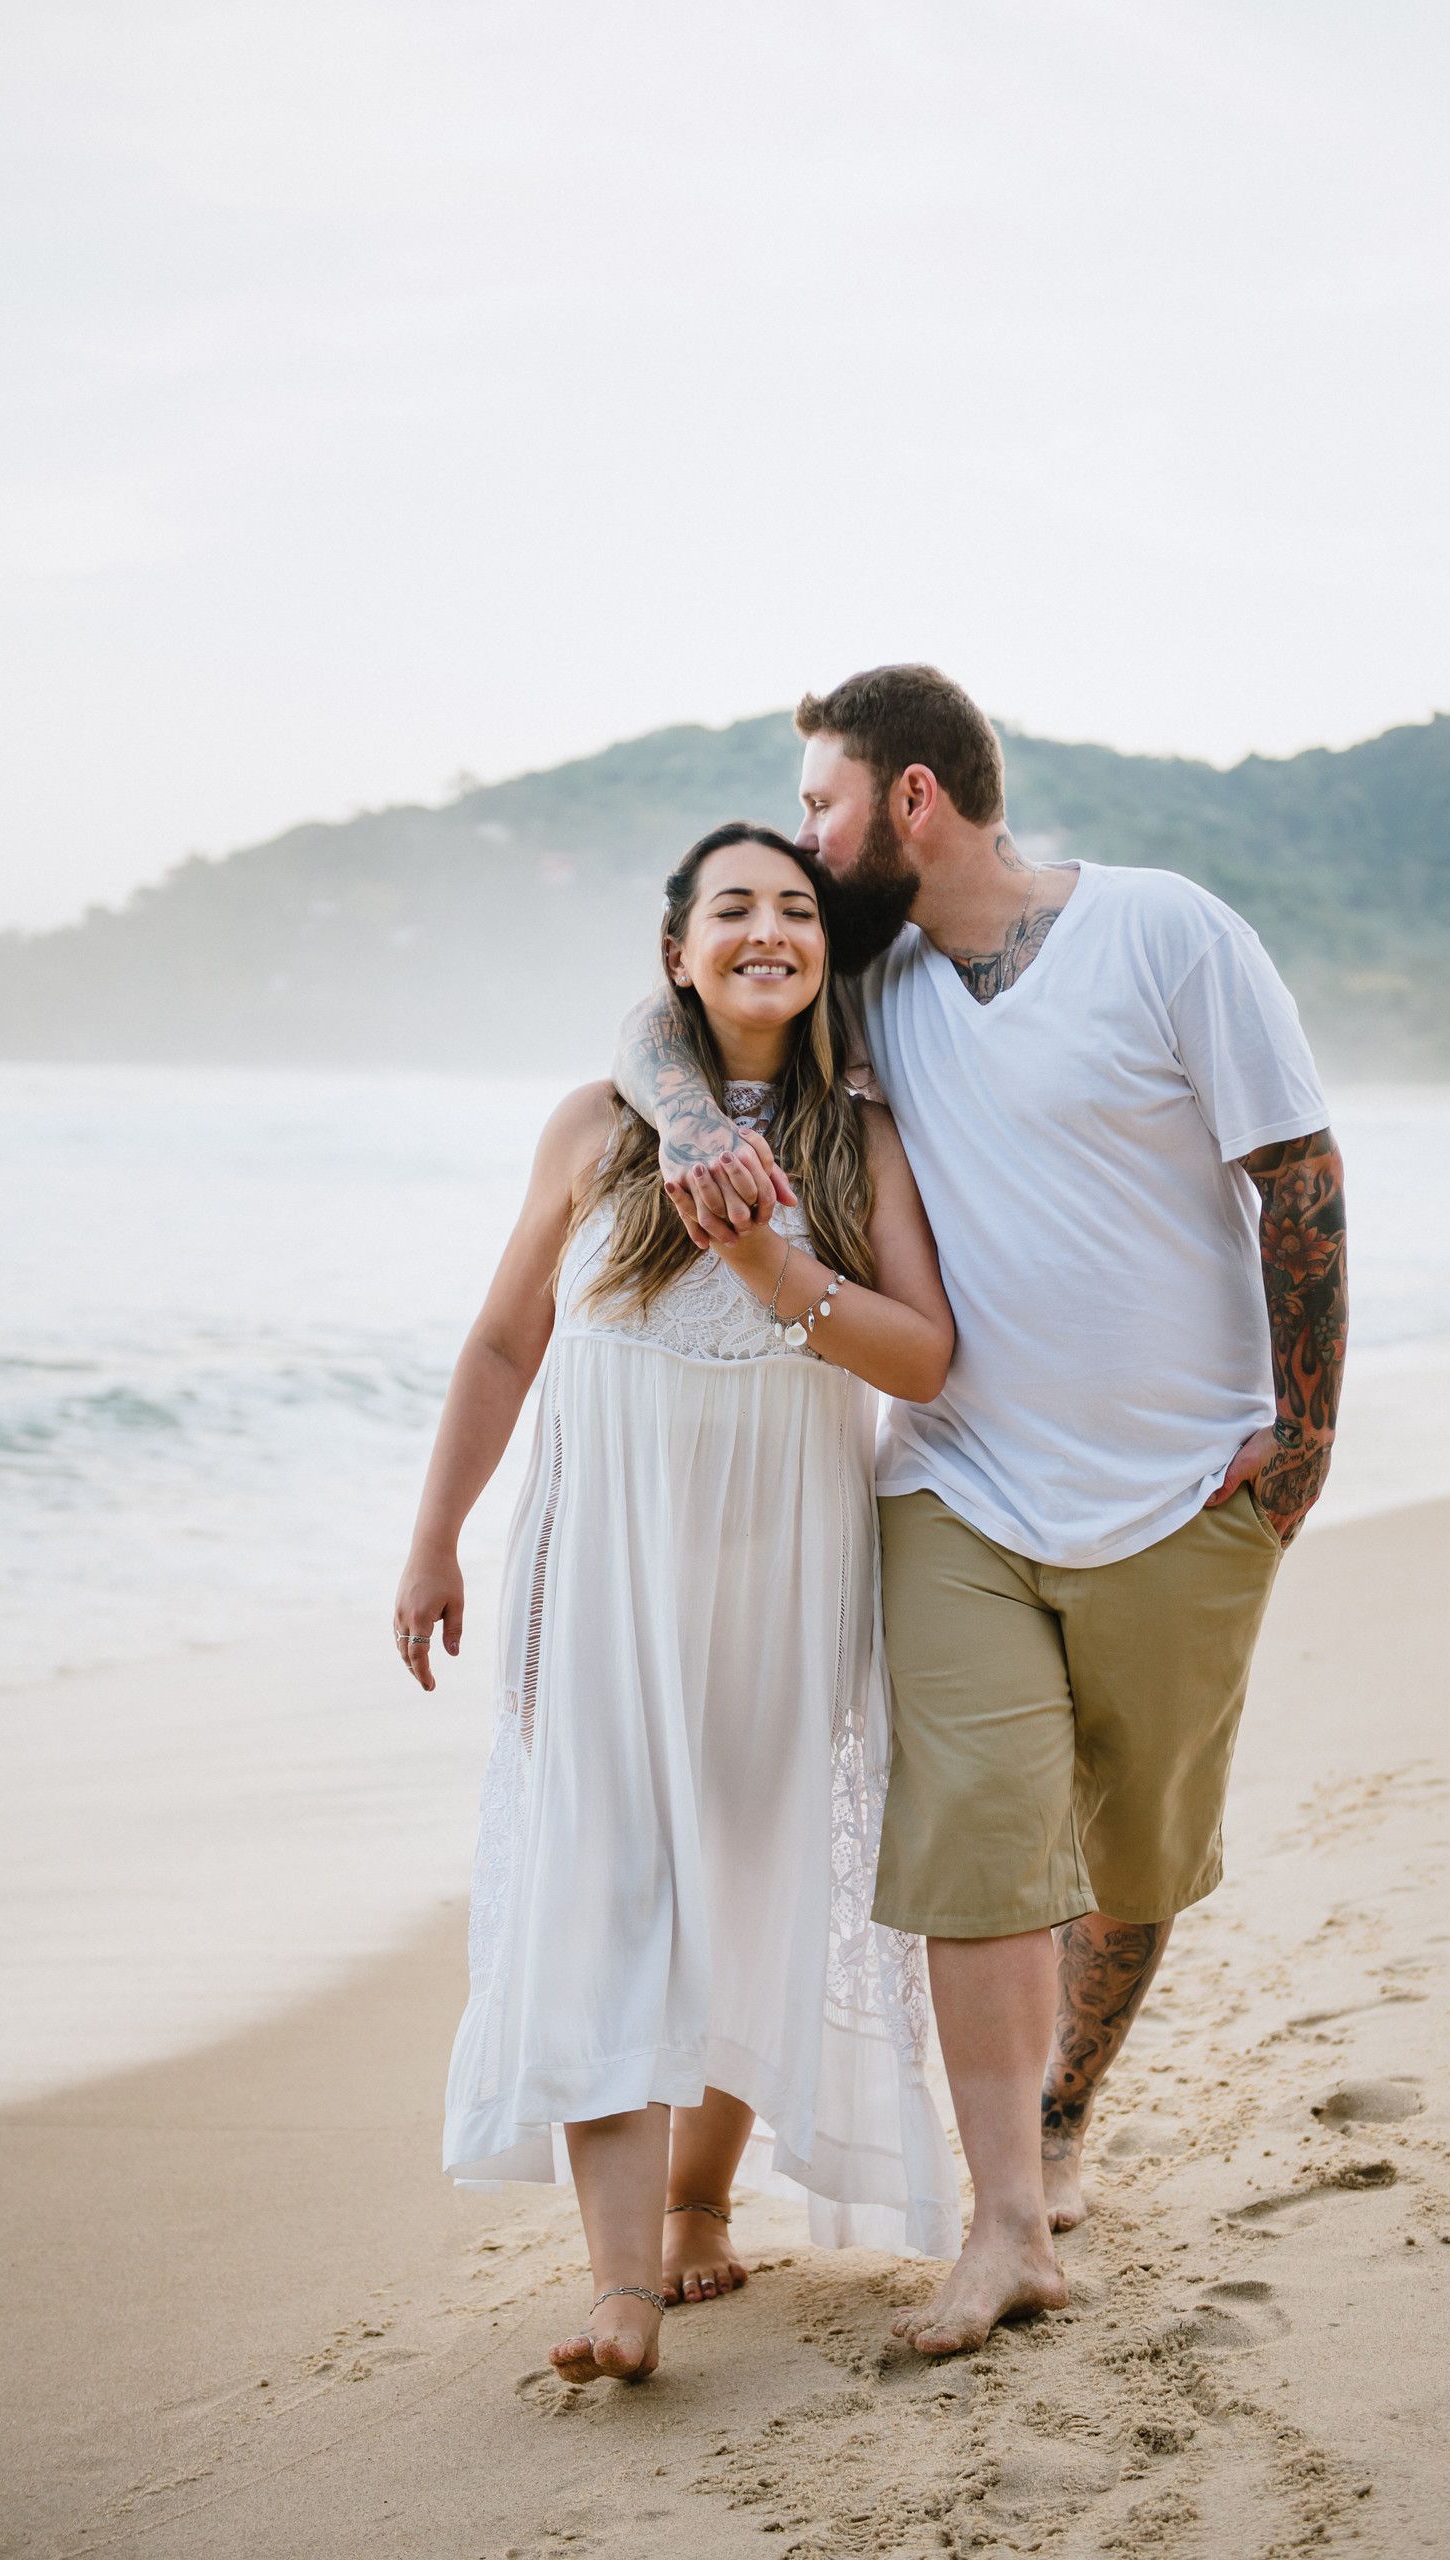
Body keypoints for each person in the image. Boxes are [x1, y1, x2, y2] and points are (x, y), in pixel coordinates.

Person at [616, 665, 1348, 2358]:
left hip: (1185, 1479)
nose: (805, 840)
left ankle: (1064, 2112)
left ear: (913, 798)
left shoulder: (1165, 930)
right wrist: (682, 1120)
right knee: (977, 1843)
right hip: (951, 1484)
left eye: (821, 804)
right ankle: (1004, 2219)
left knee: (1138, 1852)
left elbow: (1296, 1171)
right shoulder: (868, 985)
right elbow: (660, 1015)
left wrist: (1304, 1431)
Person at [394, 822, 961, 2387]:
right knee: (602, 1881)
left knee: (754, 1876)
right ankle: (619, 2283)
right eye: (733, 908)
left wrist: (779, 1272)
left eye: (795, 909)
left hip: (784, 1566)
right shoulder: (598, 1125)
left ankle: (702, 2196)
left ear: (824, 955)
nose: (767, 929)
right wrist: (436, 1539)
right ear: (677, 953)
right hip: (601, 1565)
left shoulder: (858, 1143)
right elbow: (502, 1344)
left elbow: (923, 1358)